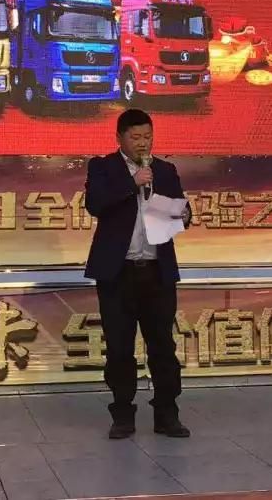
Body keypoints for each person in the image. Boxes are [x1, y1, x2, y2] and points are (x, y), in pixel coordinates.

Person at [84, 108, 192, 440]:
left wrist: (184, 214)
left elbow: (181, 211)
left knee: (162, 346)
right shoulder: (103, 167)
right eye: (135, 137)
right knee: (119, 347)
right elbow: (95, 203)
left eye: (148, 136)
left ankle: (167, 413)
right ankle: (122, 414)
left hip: (157, 272)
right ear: (120, 138)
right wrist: (132, 184)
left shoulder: (165, 170)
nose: (143, 143)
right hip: (118, 274)